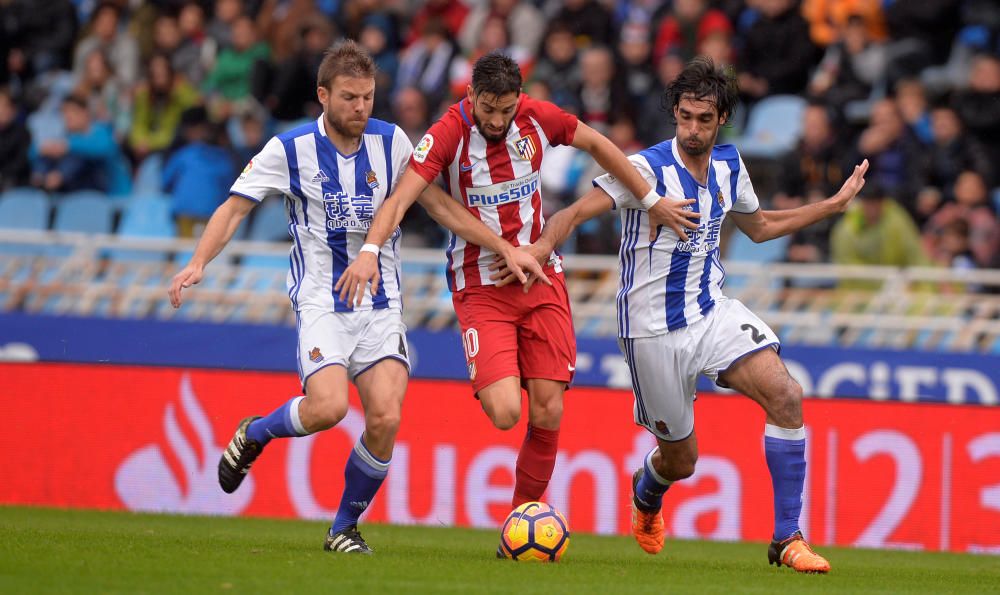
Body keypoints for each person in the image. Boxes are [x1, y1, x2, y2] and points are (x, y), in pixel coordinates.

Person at [167, 41, 543, 555]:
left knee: (386, 417)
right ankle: (256, 433)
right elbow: (234, 209)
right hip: (321, 299)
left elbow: (437, 206)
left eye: (367, 97)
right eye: (348, 97)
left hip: (382, 302)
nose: (360, 107)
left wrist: (502, 245)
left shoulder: (392, 143)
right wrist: (198, 262)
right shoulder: (290, 149)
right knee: (327, 408)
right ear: (323, 95)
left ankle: (343, 527)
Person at [498, 57, 868, 573]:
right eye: (685, 117)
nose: (693, 129)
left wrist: (828, 207)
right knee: (682, 461)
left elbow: (757, 227)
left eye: (704, 119)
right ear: (675, 113)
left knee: (786, 394)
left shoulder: (729, 166)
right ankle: (648, 491)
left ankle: (788, 538)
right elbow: (571, 214)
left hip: (711, 309)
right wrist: (538, 250)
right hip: (651, 332)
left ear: (722, 121)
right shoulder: (646, 169)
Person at [335, 52, 697, 548]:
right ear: (471, 97)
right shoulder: (446, 134)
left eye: (506, 109)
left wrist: (651, 200)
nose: (498, 120)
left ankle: (518, 525)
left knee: (548, 410)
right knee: (506, 412)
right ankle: (505, 397)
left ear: (517, 99)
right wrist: (371, 251)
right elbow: (401, 197)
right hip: (480, 284)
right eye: (488, 109)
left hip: (540, 278)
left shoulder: (535, 116)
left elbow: (597, 144)